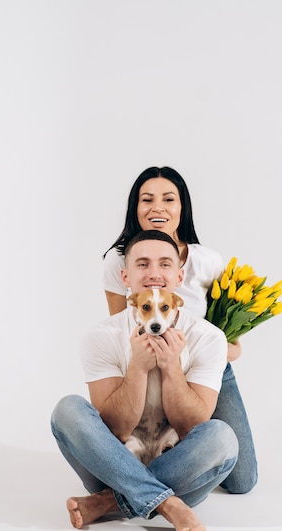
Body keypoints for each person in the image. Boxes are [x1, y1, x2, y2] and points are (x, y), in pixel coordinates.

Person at [51, 230, 239, 531]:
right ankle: (168, 504)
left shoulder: (209, 338)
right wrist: (137, 367)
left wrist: (171, 367)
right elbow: (114, 428)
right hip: (116, 459)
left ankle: (108, 502)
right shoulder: (101, 337)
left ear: (179, 277)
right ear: (125, 278)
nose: (153, 273)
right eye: (142, 264)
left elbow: (192, 427)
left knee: (222, 437)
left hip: (173, 455)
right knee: (67, 410)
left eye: (164, 263)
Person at [103, 166, 258, 494]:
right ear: (135, 209)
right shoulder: (118, 262)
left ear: (182, 208)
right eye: (147, 199)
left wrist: (215, 350)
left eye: (168, 199)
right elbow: (119, 329)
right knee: (143, 442)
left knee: (242, 481)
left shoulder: (207, 261)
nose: (157, 207)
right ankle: (159, 488)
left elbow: (232, 341)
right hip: (147, 366)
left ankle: (121, 497)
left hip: (205, 369)